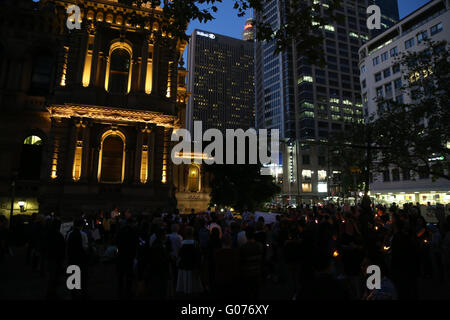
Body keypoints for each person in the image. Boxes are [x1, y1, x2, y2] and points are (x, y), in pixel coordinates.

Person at [116, 214, 138, 299]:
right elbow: (135, 243)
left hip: (121, 253)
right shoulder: (133, 231)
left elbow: (117, 240)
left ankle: (120, 290)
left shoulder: (121, 230)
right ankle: (128, 291)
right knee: (129, 274)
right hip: (130, 254)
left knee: (121, 274)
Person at [176, 226, 203, 296]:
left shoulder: (182, 243)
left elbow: (179, 254)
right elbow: (199, 255)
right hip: (193, 265)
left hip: (184, 265)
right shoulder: (195, 243)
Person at [66, 218, 89, 299]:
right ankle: (82, 293)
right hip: (80, 257)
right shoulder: (83, 234)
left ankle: (73, 293)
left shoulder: (69, 233)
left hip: (71, 257)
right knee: (82, 277)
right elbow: (85, 247)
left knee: (72, 276)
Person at [239, 227, 263, 299]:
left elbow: (242, 260)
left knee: (248, 291)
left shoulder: (243, 247)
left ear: (246, 236)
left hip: (247, 271)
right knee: (256, 291)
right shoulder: (259, 245)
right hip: (257, 270)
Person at [45, 218, 66, 299]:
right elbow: (62, 247)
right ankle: (51, 293)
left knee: (52, 276)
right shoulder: (58, 235)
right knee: (53, 277)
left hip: (51, 257)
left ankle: (51, 292)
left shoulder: (49, 233)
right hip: (56, 258)